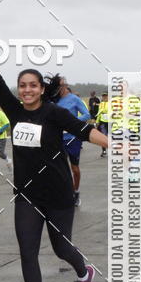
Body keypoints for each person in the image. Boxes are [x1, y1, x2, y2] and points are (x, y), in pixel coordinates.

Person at [0, 42, 109, 282]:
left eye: (33, 85)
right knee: (27, 252)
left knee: (61, 249)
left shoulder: (53, 113)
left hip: (58, 194)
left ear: (41, 89)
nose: (27, 90)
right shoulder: (15, 112)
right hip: (27, 196)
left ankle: (83, 270)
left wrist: (115, 144)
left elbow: (85, 131)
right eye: (23, 86)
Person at [56, 78, 91, 207]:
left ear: (65, 86)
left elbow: (87, 115)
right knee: (59, 168)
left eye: (58, 86)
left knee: (74, 168)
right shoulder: (53, 99)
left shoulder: (74, 99)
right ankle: (64, 193)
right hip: (58, 139)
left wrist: (71, 122)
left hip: (72, 138)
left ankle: (76, 191)